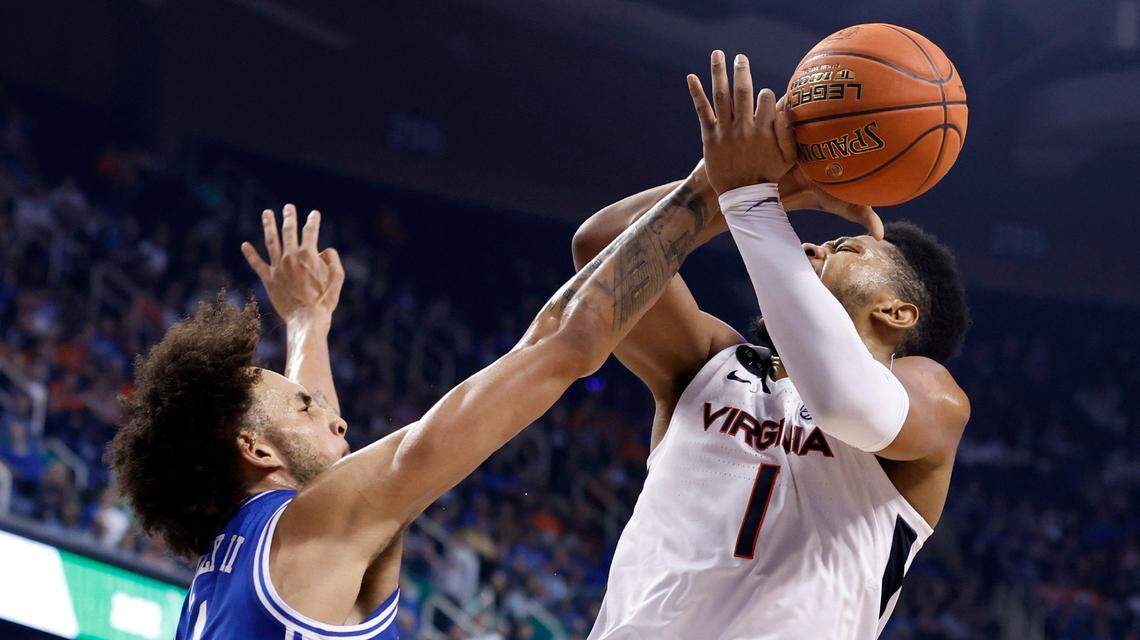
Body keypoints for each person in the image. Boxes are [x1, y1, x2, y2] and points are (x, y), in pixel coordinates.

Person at [106, 167, 726, 638]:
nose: (335, 418)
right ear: (256, 450)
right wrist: (717, 184)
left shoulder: (223, 576)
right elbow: (562, 345)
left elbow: (321, 458)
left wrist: (308, 324)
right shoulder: (307, 531)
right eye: (303, 408)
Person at [575, 51, 971, 639]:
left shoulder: (931, 395)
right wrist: (719, 185)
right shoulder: (709, 362)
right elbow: (601, 254)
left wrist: (751, 203)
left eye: (844, 248)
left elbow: (848, 404)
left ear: (897, 312)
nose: (810, 247)